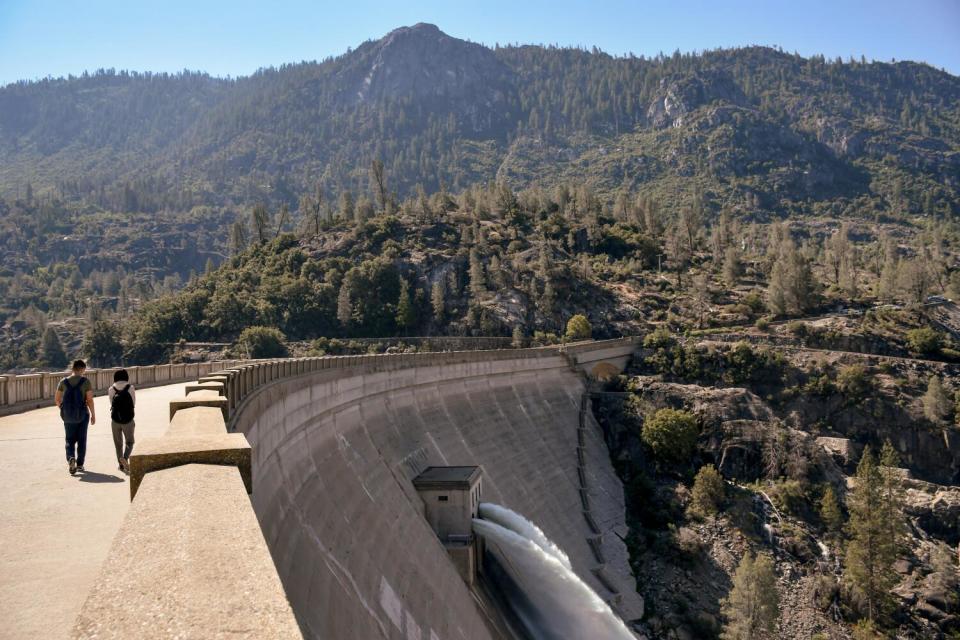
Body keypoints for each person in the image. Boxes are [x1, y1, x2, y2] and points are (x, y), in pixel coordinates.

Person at [55, 360, 95, 476]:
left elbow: (57, 399)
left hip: (68, 416)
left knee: (69, 439)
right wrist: (93, 414)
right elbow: (90, 400)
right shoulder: (85, 381)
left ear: (72, 368)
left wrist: (63, 409)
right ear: (82, 369)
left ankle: (71, 458)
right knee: (82, 439)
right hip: (83, 414)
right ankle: (80, 464)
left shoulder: (63, 381)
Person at [108, 369, 136, 474]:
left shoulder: (111, 389)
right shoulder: (131, 388)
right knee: (130, 442)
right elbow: (133, 403)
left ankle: (120, 464)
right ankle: (125, 457)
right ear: (126, 377)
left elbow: (111, 404)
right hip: (128, 419)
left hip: (115, 420)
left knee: (118, 443)